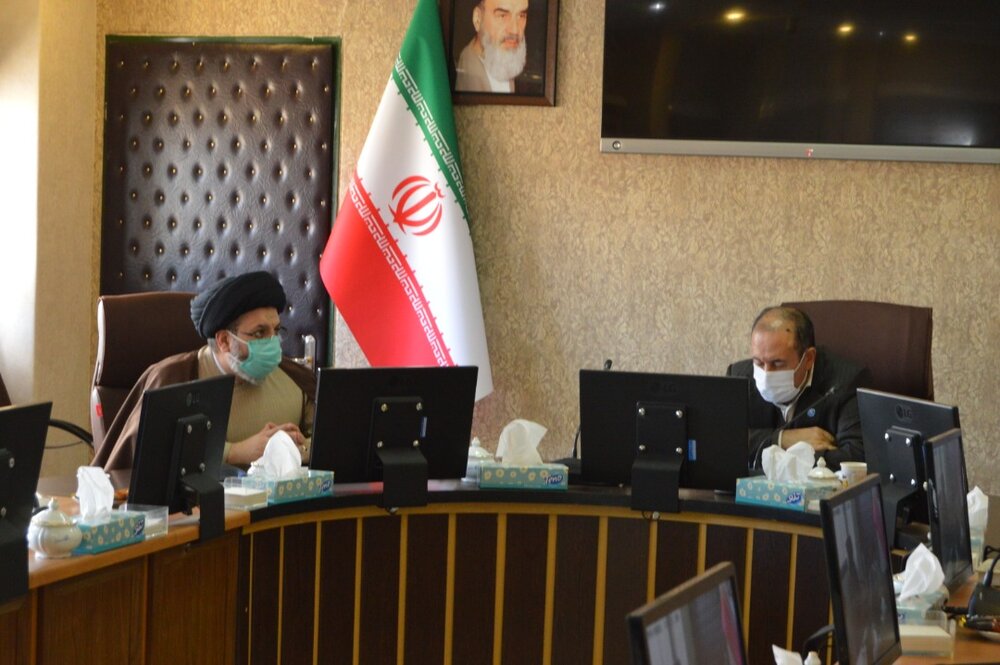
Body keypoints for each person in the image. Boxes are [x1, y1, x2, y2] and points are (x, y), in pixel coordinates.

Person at [94, 271, 316, 471]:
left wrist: (293, 449)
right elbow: (150, 456)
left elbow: (327, 441)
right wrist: (235, 452)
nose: (272, 342)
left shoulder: (296, 378)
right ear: (224, 341)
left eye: (276, 331)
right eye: (259, 333)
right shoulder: (173, 378)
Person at [727, 306, 871, 471]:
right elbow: (720, 441)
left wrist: (771, 455)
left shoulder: (845, 382)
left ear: (808, 359)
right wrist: (781, 440)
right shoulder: (739, 376)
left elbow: (855, 457)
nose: (766, 373)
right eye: (758, 362)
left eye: (778, 363)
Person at [455, 0, 530, 93]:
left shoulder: (504, 62)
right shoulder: (468, 74)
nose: (515, 30)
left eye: (521, 16)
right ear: (478, 19)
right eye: (502, 16)